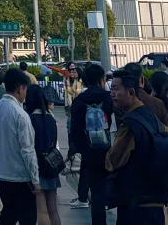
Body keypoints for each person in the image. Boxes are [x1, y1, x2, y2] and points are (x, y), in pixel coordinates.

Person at [105, 68, 168, 225]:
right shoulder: (149, 117)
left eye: (116, 89)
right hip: (156, 201)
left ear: (131, 92)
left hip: (136, 206)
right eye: (111, 88)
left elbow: (112, 162)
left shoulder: (130, 124)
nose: (112, 94)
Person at [0, 67, 38, 225]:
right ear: (21, 88)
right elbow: (28, 150)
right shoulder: (20, 115)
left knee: (9, 212)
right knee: (27, 216)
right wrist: (35, 178)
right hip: (19, 174)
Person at [67, 62, 112, 225]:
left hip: (89, 153)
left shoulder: (79, 101)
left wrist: (81, 149)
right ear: (102, 79)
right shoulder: (108, 98)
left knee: (96, 192)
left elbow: (75, 129)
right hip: (110, 151)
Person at [22, 84, 61, 225]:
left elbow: (29, 146)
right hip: (51, 165)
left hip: (38, 166)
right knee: (53, 209)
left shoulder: (30, 118)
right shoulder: (50, 117)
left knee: (41, 210)